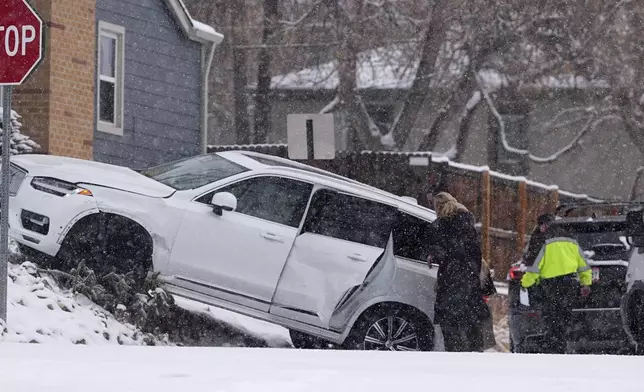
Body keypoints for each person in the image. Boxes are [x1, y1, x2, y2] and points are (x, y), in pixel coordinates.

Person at [520, 215, 593, 354]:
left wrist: (526, 283)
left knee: (551, 318)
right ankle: (564, 345)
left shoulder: (543, 240)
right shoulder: (571, 240)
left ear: (544, 225)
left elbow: (535, 266)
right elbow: (584, 265)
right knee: (564, 317)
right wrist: (585, 283)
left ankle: (554, 348)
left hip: (551, 286)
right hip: (570, 284)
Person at [428, 192, 490, 352]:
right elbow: (474, 250)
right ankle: (474, 352)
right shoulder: (466, 220)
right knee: (471, 318)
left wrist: (434, 255)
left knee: (450, 321)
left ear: (439, 206)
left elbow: (445, 250)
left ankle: (455, 355)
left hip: (452, 276)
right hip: (469, 276)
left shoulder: (441, 224)